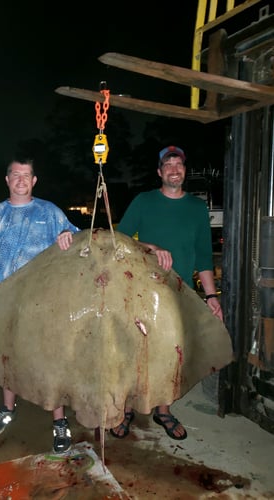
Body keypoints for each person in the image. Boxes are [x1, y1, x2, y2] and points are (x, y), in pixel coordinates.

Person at [110, 145, 222, 441]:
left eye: (179, 164)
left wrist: (211, 297)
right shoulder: (144, 201)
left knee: (172, 356)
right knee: (136, 352)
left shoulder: (197, 209)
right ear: (159, 172)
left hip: (178, 293)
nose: (174, 169)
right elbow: (119, 241)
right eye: (168, 165)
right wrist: (152, 247)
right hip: (142, 291)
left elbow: (203, 257)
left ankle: (163, 410)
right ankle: (128, 408)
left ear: (185, 171)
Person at [0, 155, 80, 454]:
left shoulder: (50, 212)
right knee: (8, 360)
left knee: (50, 362)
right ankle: (7, 409)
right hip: (5, 302)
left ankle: (59, 421)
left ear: (34, 181)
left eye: (27, 175)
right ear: (7, 180)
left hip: (43, 303)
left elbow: (81, 237)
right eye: (15, 174)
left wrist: (68, 235)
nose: (21, 179)